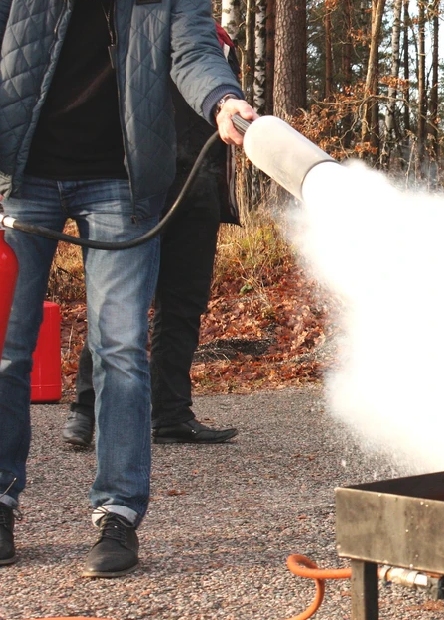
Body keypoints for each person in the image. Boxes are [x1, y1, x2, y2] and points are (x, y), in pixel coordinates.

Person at [0, 0, 256, 577]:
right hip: (21, 177)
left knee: (119, 348)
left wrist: (223, 99)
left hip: (123, 182)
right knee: (6, 349)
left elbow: (192, 50)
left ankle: (116, 513)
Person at [62, 25, 242, 448]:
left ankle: (172, 414)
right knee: (117, 302)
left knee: (182, 308)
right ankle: (85, 412)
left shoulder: (222, 42)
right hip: (137, 188)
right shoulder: (140, 28)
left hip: (200, 188)